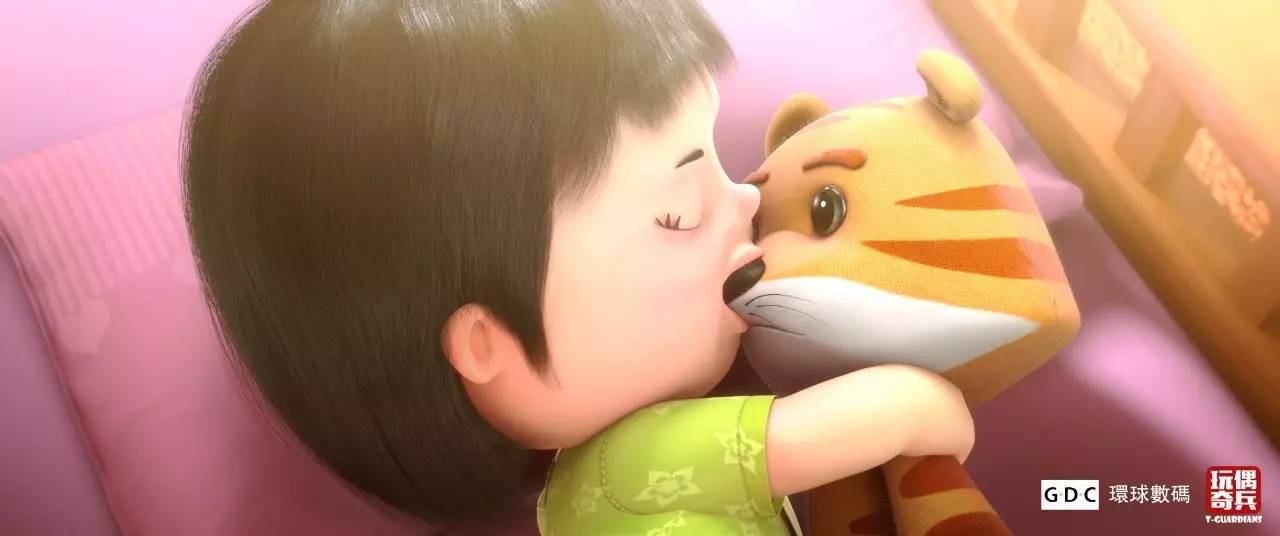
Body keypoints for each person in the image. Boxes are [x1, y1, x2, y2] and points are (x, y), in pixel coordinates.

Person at [182, 0, 975, 533]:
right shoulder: (628, 467)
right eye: (678, 212)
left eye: (718, 159)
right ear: (486, 343)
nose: (744, 200)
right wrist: (922, 398)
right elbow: (897, 411)